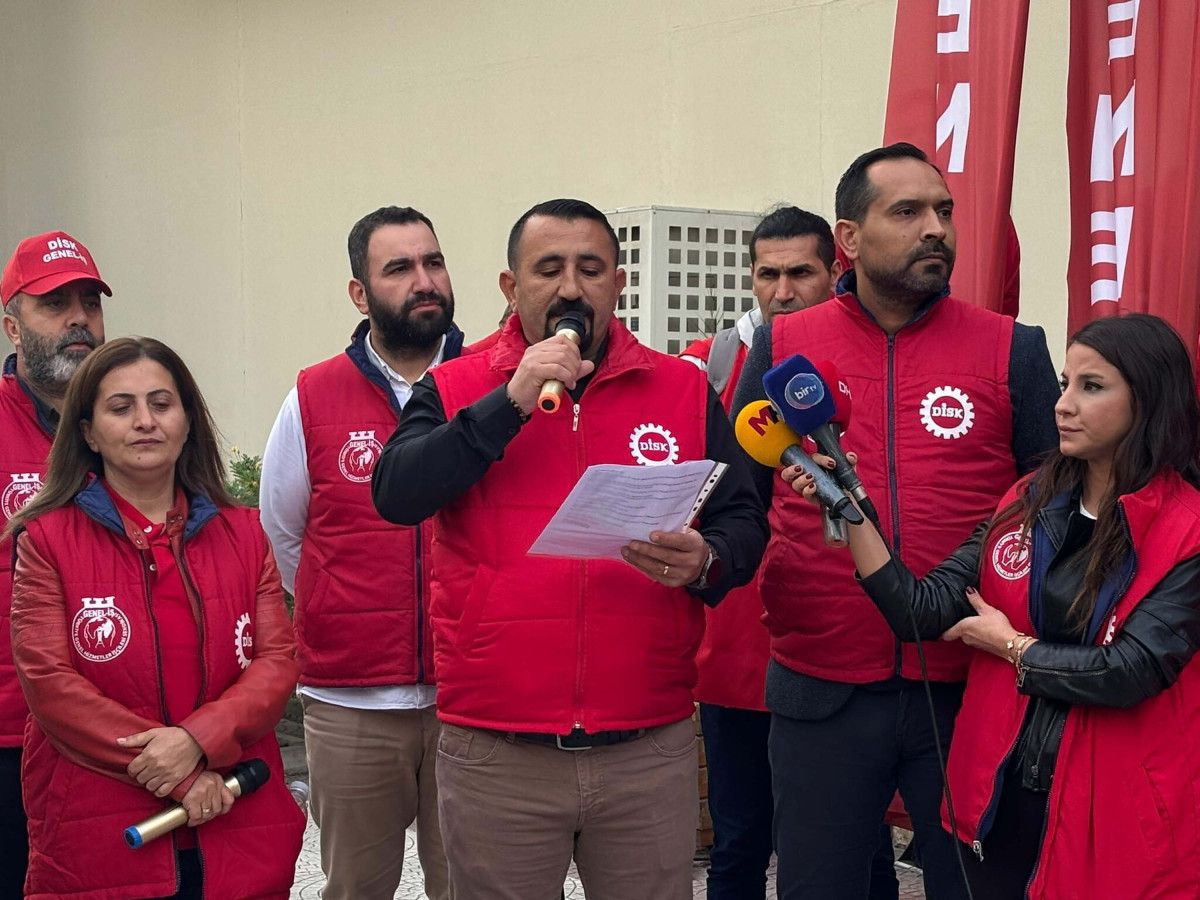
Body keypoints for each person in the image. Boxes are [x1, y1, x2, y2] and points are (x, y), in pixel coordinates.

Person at [371, 198, 768, 900]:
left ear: (618, 283)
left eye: (590, 269)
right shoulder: (456, 384)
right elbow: (397, 492)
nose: (570, 288)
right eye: (548, 269)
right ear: (510, 286)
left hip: (647, 745)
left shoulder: (681, 388)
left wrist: (707, 560)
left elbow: (744, 519)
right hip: (498, 748)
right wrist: (511, 401)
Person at [730, 143, 1061, 899]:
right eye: (907, 211)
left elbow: (1049, 504)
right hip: (820, 685)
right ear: (849, 238)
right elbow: (741, 498)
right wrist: (710, 559)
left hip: (970, 684)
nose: (935, 228)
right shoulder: (784, 346)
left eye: (943, 210)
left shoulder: (1013, 347)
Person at [788, 312, 1200, 899]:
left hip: (1114, 818)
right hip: (1001, 803)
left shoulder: (1187, 531)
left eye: (1092, 387)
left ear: (1150, 400)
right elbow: (920, 612)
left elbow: (1130, 671)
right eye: (1065, 383)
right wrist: (849, 507)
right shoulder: (1029, 500)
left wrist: (1012, 647)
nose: (1063, 405)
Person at [8, 337, 305, 898]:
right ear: (88, 432)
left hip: (237, 810)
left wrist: (197, 740)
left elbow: (277, 663)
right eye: (121, 408)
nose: (145, 421)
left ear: (187, 421)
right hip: (102, 828)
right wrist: (183, 775)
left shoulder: (245, 534)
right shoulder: (47, 541)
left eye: (162, 404)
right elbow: (49, 684)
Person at [260, 206, 462, 900]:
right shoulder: (312, 395)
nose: (424, 281)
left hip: (471, 695)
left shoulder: (491, 385)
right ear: (360, 292)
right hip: (351, 699)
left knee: (472, 885)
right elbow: (284, 533)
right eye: (399, 268)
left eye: (433, 262)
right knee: (356, 887)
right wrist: (346, 605)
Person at [681, 205, 843, 900]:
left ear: (835, 270)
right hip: (737, 642)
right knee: (740, 840)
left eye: (800, 273)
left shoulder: (861, 355)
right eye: (767, 274)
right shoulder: (708, 362)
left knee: (846, 843)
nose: (782, 291)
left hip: (834, 638)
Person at [0, 230, 109, 898]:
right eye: (55, 304)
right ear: (13, 327)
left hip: (116, 736)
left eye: (89, 302)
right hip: (9, 735)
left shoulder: (128, 423)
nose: (79, 319)